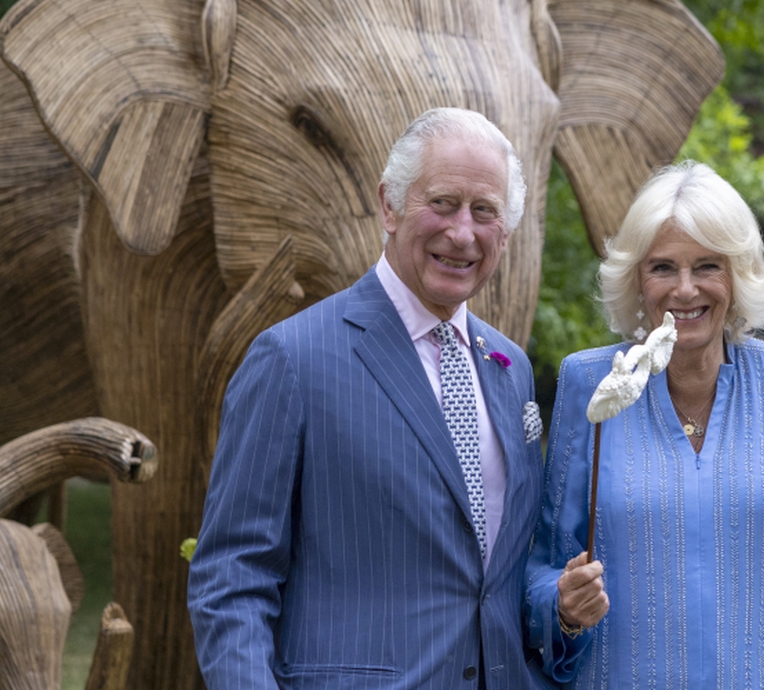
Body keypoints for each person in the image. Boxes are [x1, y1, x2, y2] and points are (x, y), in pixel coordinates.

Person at [189, 107, 546, 689]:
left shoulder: (510, 369)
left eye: (485, 211)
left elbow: (498, 575)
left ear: (505, 231)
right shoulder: (292, 359)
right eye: (443, 203)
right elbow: (232, 578)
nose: (463, 232)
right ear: (389, 205)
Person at [525, 161, 764, 689]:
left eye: (707, 265)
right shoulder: (591, 382)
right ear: (636, 278)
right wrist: (562, 607)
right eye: (662, 268)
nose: (685, 289)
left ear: (738, 274)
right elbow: (542, 566)